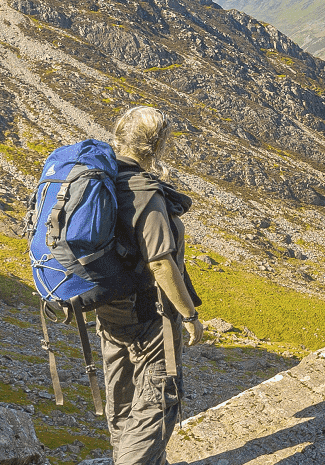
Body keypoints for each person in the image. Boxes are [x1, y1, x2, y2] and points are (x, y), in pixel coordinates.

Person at [95, 105, 204, 465]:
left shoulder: (104, 179)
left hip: (110, 309)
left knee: (123, 400)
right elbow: (160, 261)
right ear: (156, 144)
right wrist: (188, 315)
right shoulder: (145, 192)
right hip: (149, 313)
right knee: (159, 401)